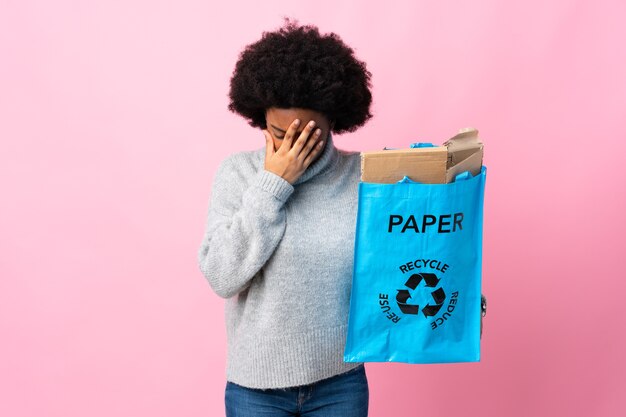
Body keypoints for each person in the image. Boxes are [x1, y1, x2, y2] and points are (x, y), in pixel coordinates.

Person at [197, 18, 374, 417]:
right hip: (255, 389)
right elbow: (222, 275)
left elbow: (404, 253)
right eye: (280, 133)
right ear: (261, 117)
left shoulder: (362, 175)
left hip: (340, 382)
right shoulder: (238, 174)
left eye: (307, 133)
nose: (291, 145)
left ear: (334, 121)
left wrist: (461, 301)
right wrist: (273, 183)